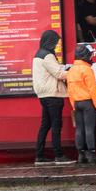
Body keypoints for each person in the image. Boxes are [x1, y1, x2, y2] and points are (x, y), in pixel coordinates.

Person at [32, 30, 72, 164]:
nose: (56, 45)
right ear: (50, 41)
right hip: (53, 94)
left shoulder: (38, 54)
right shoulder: (48, 55)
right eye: (55, 42)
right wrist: (73, 71)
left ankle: (39, 155)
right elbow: (59, 74)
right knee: (56, 125)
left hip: (43, 95)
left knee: (45, 125)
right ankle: (59, 155)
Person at [67, 43, 96, 164]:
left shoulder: (71, 69)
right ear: (86, 55)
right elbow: (93, 89)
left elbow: (70, 90)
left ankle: (81, 155)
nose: (92, 56)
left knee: (79, 129)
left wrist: (73, 104)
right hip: (88, 103)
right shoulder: (87, 70)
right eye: (90, 54)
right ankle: (91, 155)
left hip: (77, 103)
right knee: (89, 128)